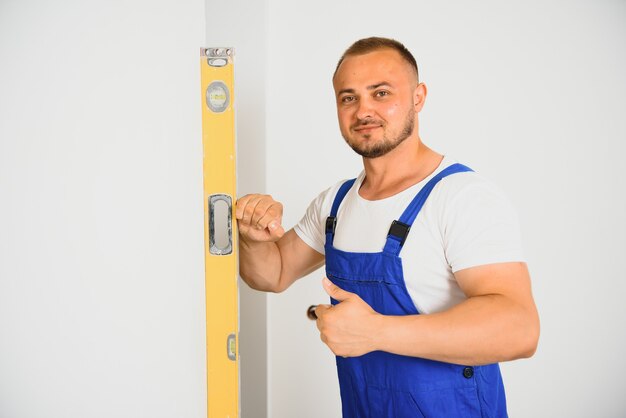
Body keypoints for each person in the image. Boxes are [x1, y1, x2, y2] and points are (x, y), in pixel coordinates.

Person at [236, 37, 539, 418]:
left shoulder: (462, 196)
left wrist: (376, 332)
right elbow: (272, 273)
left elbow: (520, 328)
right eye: (348, 98)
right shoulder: (336, 203)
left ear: (418, 97)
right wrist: (252, 237)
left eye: (381, 93)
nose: (364, 110)